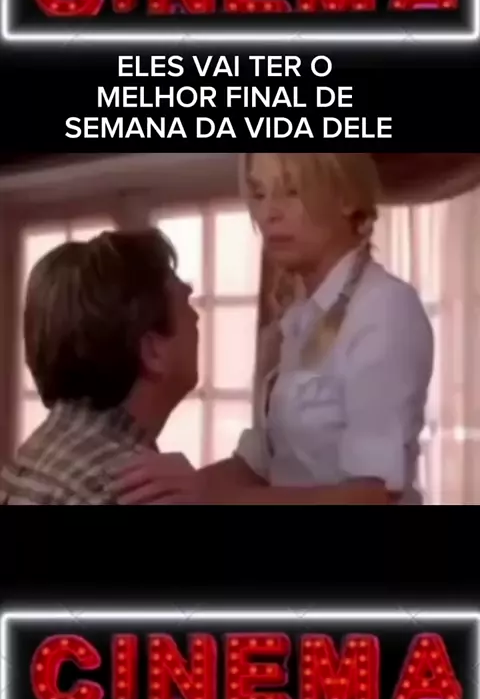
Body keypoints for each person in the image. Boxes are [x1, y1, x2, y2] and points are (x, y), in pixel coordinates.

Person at [115, 153, 434, 505]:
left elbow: (373, 496)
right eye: (259, 194)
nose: (268, 213)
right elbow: (262, 463)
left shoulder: (384, 307)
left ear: (347, 197)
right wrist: (171, 487)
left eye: (291, 191)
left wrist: (212, 495)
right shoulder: (300, 317)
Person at [0, 229, 199, 505]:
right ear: (153, 352)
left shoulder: (35, 454)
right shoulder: (132, 489)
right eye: (187, 305)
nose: (196, 317)